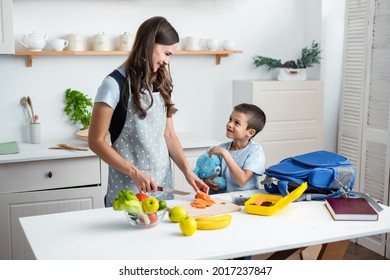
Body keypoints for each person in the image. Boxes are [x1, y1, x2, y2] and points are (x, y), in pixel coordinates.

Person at [88, 16, 208, 207]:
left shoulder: (163, 84)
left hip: (162, 182)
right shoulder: (113, 84)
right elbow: (95, 141)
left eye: (170, 56)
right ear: (149, 44)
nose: (167, 62)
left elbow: (168, 135)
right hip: (127, 186)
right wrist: (135, 173)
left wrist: (187, 171)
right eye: (166, 53)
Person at [204, 103, 266, 193]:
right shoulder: (222, 148)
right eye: (230, 119)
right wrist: (207, 180)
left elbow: (242, 180)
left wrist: (225, 154)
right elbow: (213, 173)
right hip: (223, 200)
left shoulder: (255, 151)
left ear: (250, 133)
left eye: (237, 123)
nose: (229, 124)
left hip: (244, 200)